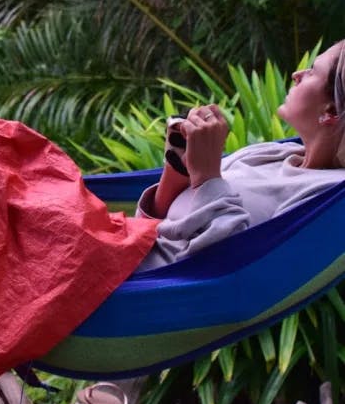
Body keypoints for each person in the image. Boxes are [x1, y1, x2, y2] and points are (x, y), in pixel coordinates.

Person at [136, 41, 345, 270]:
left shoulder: (329, 197)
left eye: (313, 71)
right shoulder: (271, 153)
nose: (297, 74)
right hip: (126, 253)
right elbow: (149, 229)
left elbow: (233, 274)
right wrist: (178, 169)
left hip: (138, 288)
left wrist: (206, 177)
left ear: (332, 111)